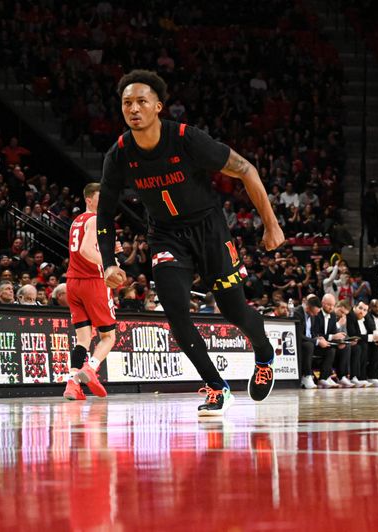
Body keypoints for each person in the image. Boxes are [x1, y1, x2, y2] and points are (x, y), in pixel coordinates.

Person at [97, 70, 284, 416]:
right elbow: (104, 214)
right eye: (127, 103)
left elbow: (245, 168)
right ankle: (217, 387)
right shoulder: (119, 154)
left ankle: (264, 355)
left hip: (209, 228)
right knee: (176, 313)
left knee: (234, 310)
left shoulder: (186, 138)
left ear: (158, 107)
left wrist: (271, 225)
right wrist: (108, 262)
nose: (133, 108)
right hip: (166, 235)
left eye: (141, 101)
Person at [64, 183, 117, 401]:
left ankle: (72, 384)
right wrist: (109, 264)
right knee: (108, 337)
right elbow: (86, 250)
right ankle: (91, 369)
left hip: (72, 283)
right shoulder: (96, 219)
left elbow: (84, 248)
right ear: (88, 199)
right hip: (93, 283)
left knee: (83, 340)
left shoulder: (76, 221)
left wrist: (110, 250)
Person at [293, 295, 322, 389]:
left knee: (330, 349)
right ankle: (307, 376)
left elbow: (312, 333)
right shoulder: (297, 313)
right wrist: (316, 341)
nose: (315, 315)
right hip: (299, 343)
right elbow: (299, 335)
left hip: (310, 342)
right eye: (314, 313)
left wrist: (319, 338)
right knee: (309, 345)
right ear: (308, 308)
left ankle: (325, 378)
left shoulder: (312, 315)